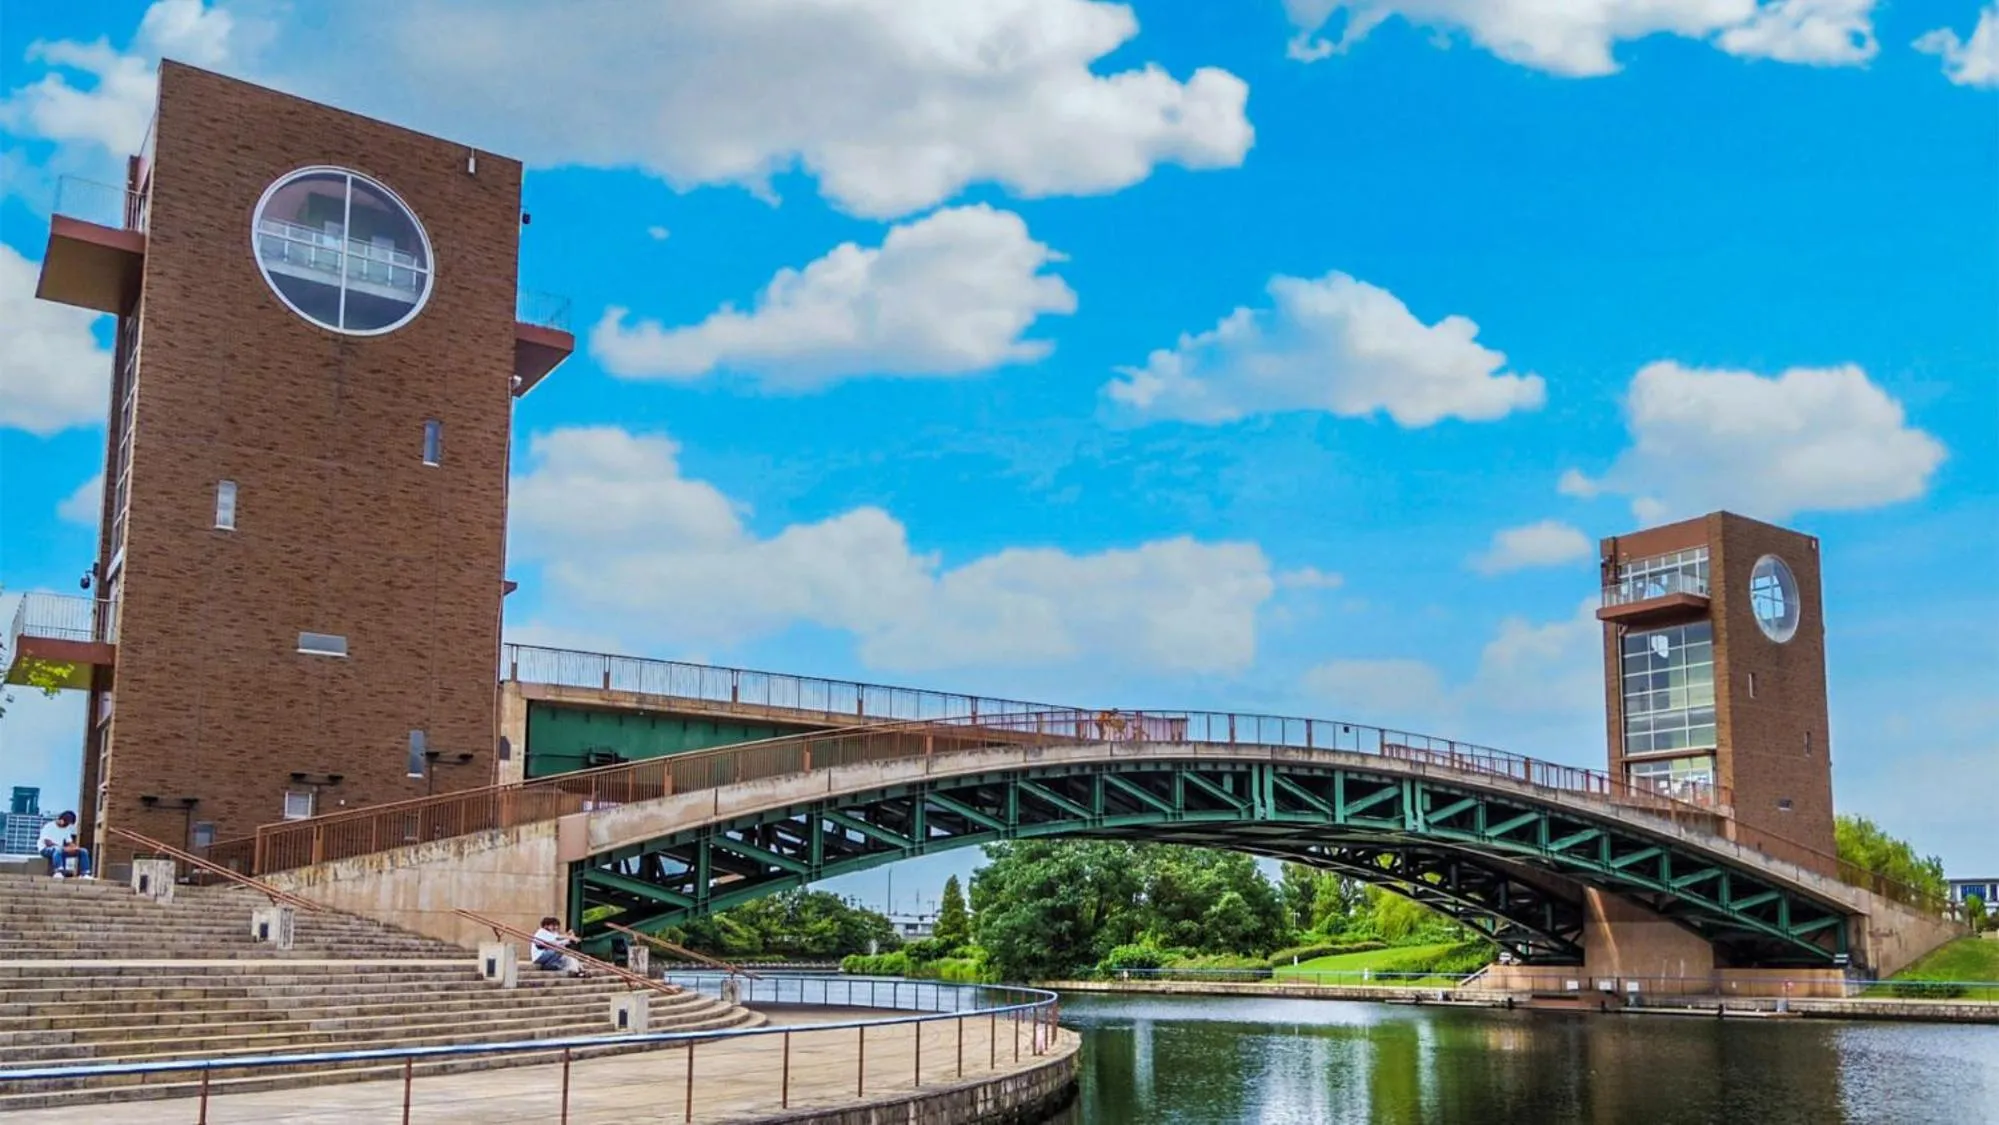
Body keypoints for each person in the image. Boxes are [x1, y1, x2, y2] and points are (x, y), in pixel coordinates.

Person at [38, 811, 90, 879]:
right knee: (57, 849)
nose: (67, 825)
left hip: (60, 850)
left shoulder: (66, 829)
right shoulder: (49, 826)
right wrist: (63, 848)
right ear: (61, 820)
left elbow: (69, 842)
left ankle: (84, 873)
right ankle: (58, 872)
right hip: (45, 849)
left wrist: (75, 848)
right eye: (66, 823)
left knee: (83, 851)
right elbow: (47, 842)